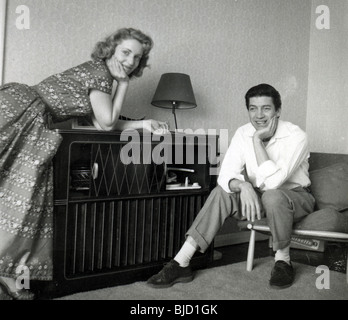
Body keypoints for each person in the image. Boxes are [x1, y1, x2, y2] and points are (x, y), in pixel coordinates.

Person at [0, 27, 168, 300]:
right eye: (126, 52)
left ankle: (7, 274)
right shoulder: (100, 73)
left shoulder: (96, 73)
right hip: (23, 113)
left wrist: (143, 123)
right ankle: (8, 275)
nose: (130, 61)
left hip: (23, 108)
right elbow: (107, 123)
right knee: (23, 198)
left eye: (137, 58)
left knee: (16, 197)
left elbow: (97, 121)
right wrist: (124, 84)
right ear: (111, 49)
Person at [147, 83, 315, 290]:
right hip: (260, 196)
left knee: (272, 195)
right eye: (253, 108)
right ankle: (181, 261)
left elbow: (273, 183)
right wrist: (242, 185)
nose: (259, 115)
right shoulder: (242, 132)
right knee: (222, 192)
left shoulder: (296, 136)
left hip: (296, 198)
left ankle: (283, 261)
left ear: (278, 111)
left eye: (266, 108)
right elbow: (225, 174)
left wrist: (256, 140)